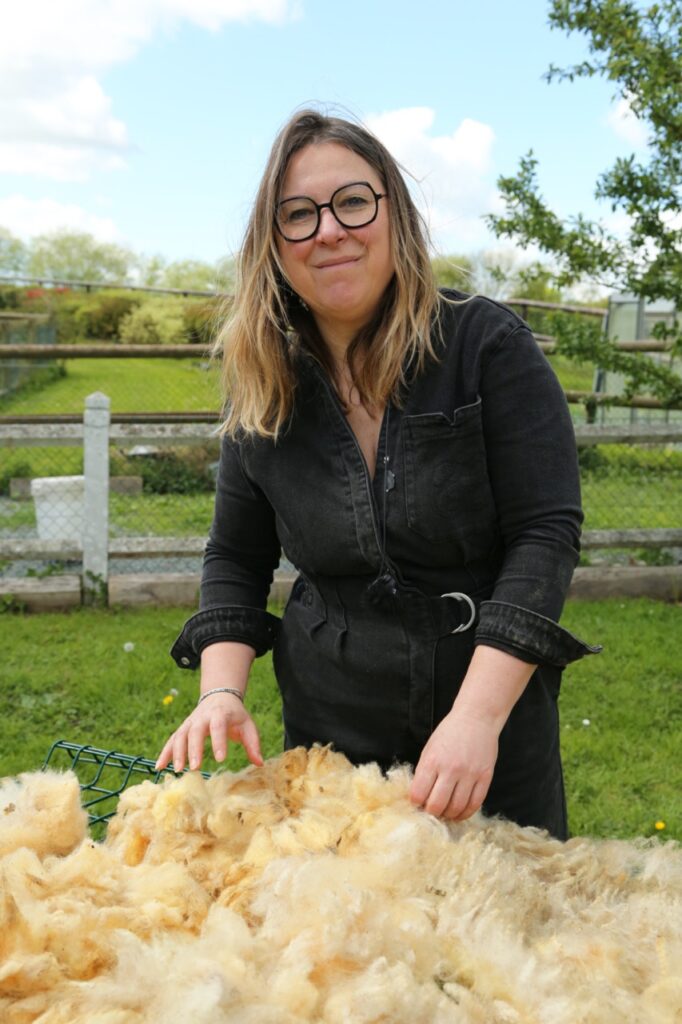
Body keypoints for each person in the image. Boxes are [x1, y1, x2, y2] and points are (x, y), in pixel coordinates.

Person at [156, 109, 600, 839]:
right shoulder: (263, 382)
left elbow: (544, 535)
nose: (328, 230)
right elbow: (235, 554)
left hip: (487, 712)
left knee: (508, 923)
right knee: (353, 937)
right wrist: (220, 692)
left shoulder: (486, 345)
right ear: (273, 244)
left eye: (353, 202)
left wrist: (478, 719)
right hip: (332, 726)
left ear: (395, 212)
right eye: (297, 214)